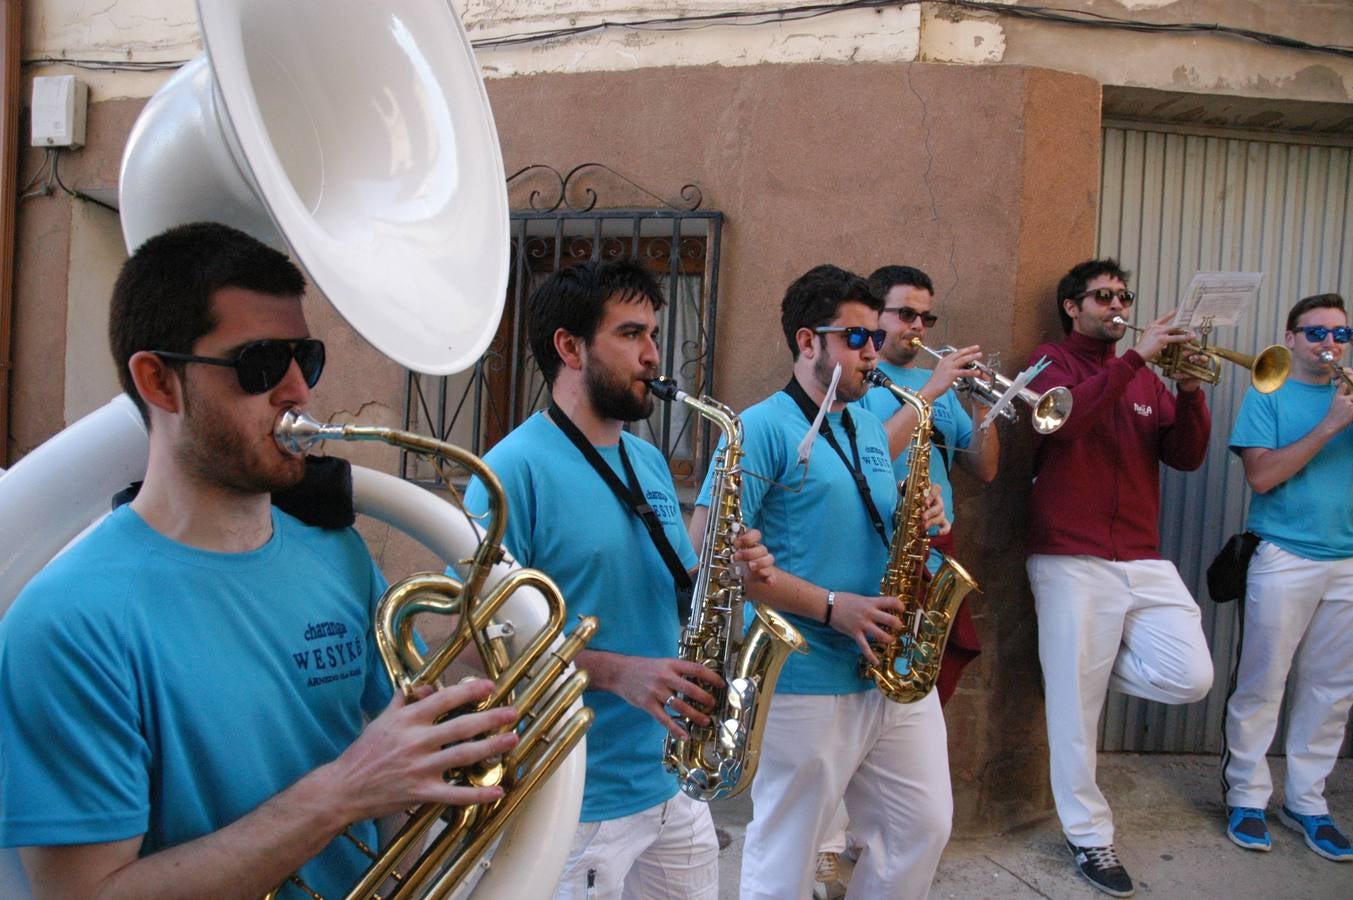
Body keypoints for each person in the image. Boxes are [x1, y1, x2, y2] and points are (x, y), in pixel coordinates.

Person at [0, 222, 514, 897]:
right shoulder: (66, 622)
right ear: (158, 380)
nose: (298, 391)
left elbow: (400, 776)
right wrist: (343, 791)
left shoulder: (338, 555)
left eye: (307, 358)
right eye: (261, 363)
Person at [461, 258, 773, 900]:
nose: (654, 355)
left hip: (671, 780)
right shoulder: (508, 472)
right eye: (632, 335)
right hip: (576, 798)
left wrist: (729, 575)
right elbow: (472, 639)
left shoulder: (648, 460)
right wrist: (618, 673)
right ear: (569, 347)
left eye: (655, 334)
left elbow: (670, 585)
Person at [691, 264, 952, 900]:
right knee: (789, 852)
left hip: (889, 666)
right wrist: (834, 608)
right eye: (855, 338)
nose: (873, 351)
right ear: (809, 342)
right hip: (805, 676)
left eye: (873, 337)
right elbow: (707, 543)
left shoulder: (866, 422)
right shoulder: (762, 427)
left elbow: (862, 510)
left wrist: (920, 513)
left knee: (923, 826)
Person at [1024, 258, 1215, 897]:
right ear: (1072, 306)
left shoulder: (1145, 382)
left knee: (1191, 677)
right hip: (1070, 559)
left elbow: (1185, 456)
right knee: (1076, 714)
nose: (1117, 305)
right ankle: (1090, 839)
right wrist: (1136, 361)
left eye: (1123, 295)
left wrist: (1188, 391)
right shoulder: (1048, 365)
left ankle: (1078, 671)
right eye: (1103, 296)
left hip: (1142, 558)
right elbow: (1067, 420)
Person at [811, 265, 999, 899]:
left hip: (925, 546)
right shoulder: (869, 387)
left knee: (905, 717)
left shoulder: (912, 384)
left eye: (927, 318)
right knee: (840, 723)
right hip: (858, 562)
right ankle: (827, 848)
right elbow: (864, 464)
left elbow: (986, 468)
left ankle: (876, 838)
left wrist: (984, 405)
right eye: (903, 316)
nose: (916, 328)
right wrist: (936, 390)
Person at [1220, 292, 1353, 862]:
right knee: (1262, 682)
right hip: (1284, 556)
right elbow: (1262, 477)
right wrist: (1331, 426)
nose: (1330, 344)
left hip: (1348, 562)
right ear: (1291, 337)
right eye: (1317, 332)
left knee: (1332, 690)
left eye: (1341, 335)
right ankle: (1247, 796)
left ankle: (1308, 801)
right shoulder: (1265, 393)